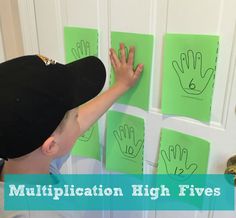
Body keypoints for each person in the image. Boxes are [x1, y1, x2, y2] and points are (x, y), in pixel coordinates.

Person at [0, 43, 144, 217]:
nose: (79, 119)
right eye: (74, 117)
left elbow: (76, 123)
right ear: (51, 146)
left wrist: (121, 86)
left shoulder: (25, 160)